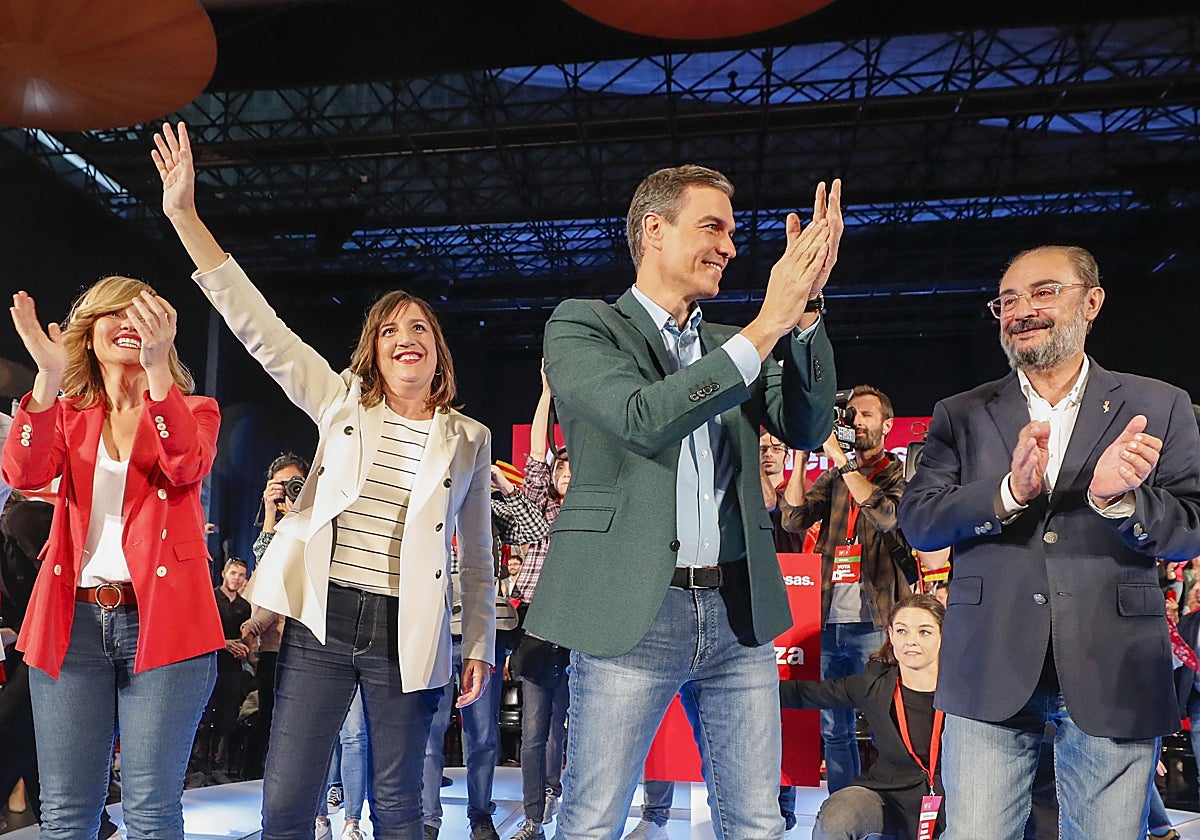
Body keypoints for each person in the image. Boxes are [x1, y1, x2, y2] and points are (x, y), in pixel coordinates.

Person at [153, 121, 496, 840]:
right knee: (286, 803)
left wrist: (477, 645)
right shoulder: (341, 401)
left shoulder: (468, 437)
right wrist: (185, 216)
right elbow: (259, 327)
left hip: (409, 627)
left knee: (402, 808)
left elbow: (477, 559)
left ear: (438, 352)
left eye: (420, 329)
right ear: (374, 350)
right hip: (322, 620)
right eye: (390, 330)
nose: (406, 339)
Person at [529, 164, 841, 839]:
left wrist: (805, 313)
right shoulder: (584, 326)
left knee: (756, 824)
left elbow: (807, 427)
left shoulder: (733, 343)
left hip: (738, 615)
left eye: (731, 232)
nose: (730, 246)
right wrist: (769, 323)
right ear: (654, 229)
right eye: (712, 228)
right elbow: (642, 418)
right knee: (591, 823)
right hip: (630, 611)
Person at [897, 245, 1200, 840]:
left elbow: (1190, 526)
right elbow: (920, 522)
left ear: (1092, 302)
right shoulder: (960, 414)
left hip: (1113, 666)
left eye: (1043, 292)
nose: (1021, 310)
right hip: (988, 665)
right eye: (1007, 300)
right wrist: (1008, 492)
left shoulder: (1158, 404)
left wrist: (1119, 500)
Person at [1, 276, 224, 839]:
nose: (127, 323)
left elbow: (184, 464)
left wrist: (157, 372)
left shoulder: (195, 409)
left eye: (140, 313)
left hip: (166, 625)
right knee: (66, 812)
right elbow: (23, 473)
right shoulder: (66, 414)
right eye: (113, 313)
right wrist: (47, 378)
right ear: (89, 332)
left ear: (164, 330)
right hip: (69, 624)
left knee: (150, 811)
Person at [779, 384, 910, 795]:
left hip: (877, 622)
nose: (856, 422)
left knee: (887, 723)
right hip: (827, 619)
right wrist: (803, 457)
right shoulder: (834, 477)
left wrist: (842, 460)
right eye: (850, 415)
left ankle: (892, 807)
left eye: (866, 415)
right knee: (834, 728)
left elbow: (886, 516)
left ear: (887, 424)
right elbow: (793, 519)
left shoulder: (901, 474)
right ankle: (841, 809)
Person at [781, 593, 947, 840]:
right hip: (889, 794)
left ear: (943, 635)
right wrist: (746, 689)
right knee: (837, 817)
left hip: (956, 797)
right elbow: (806, 693)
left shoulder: (967, 690)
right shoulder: (874, 684)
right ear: (890, 635)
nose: (911, 641)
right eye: (902, 631)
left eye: (924, 632)